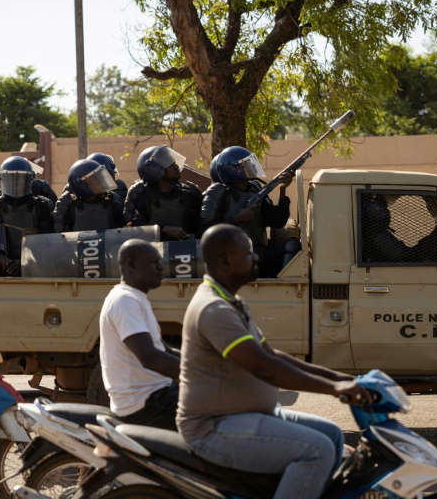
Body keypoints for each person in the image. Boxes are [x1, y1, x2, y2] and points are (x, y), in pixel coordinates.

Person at [177, 224, 370, 499]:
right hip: (214, 427)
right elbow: (263, 367)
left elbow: (272, 355)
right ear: (225, 261)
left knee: (332, 435)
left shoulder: (232, 302)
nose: (255, 258)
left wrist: (340, 379)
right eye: (248, 253)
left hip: (246, 417)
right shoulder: (214, 309)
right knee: (318, 450)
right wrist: (333, 390)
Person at [99, 239, 180, 429]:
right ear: (131, 265)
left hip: (156, 394)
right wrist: (199, 374)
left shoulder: (135, 298)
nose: (161, 268)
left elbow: (162, 350)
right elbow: (149, 357)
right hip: (145, 403)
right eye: (154, 263)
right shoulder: (124, 300)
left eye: (160, 263)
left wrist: (203, 362)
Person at [201, 146, 293, 276]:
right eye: (246, 165)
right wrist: (237, 219)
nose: (251, 167)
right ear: (234, 170)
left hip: (258, 252)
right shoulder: (217, 192)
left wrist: (283, 189)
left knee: (292, 246)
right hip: (230, 257)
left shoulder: (254, 189)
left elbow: (277, 221)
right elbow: (204, 229)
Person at [0, 156, 53, 276]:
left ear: (30, 180)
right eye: (11, 178)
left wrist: (24, 262)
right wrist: (0, 256)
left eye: (20, 179)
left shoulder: (42, 205)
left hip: (34, 260)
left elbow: (49, 239)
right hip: (1, 261)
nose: (15, 184)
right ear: (1, 179)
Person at [124, 145, 201, 241]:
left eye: (173, 162)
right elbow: (133, 229)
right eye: (169, 163)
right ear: (154, 169)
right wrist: (162, 229)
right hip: (150, 252)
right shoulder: (140, 195)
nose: (176, 166)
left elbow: (202, 228)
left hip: (186, 253)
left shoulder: (190, 193)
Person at [360, 193, 437, 263]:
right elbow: (408, 256)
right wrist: (436, 234)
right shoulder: (378, 236)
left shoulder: (376, 234)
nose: (384, 213)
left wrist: (436, 234)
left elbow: (408, 254)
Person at [52, 158, 125, 233]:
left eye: (99, 178)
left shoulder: (111, 199)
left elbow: (122, 230)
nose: (99, 182)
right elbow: (59, 235)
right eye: (95, 180)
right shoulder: (68, 204)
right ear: (82, 184)